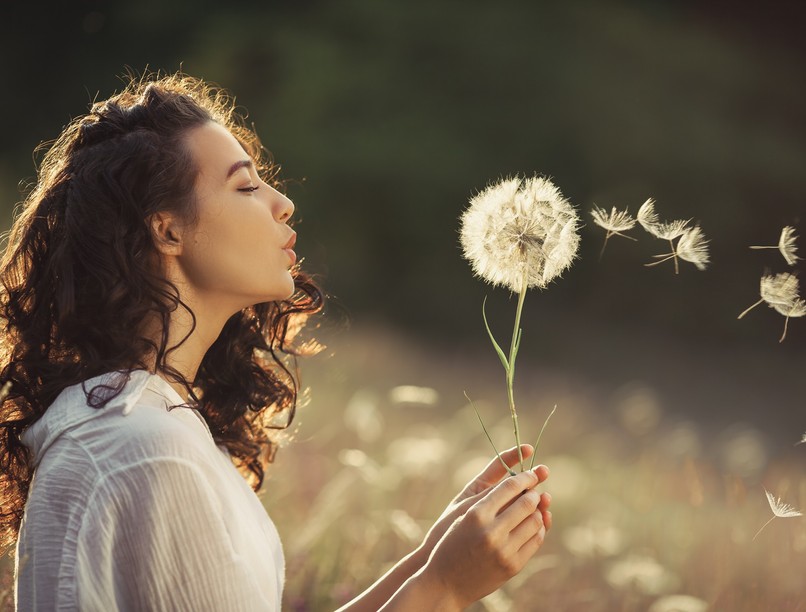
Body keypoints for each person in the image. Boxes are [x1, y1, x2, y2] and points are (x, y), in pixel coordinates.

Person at [0, 73, 552, 611]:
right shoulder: (146, 451)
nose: (283, 202)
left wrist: (428, 560)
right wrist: (443, 589)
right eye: (245, 186)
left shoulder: (149, 422)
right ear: (167, 230)